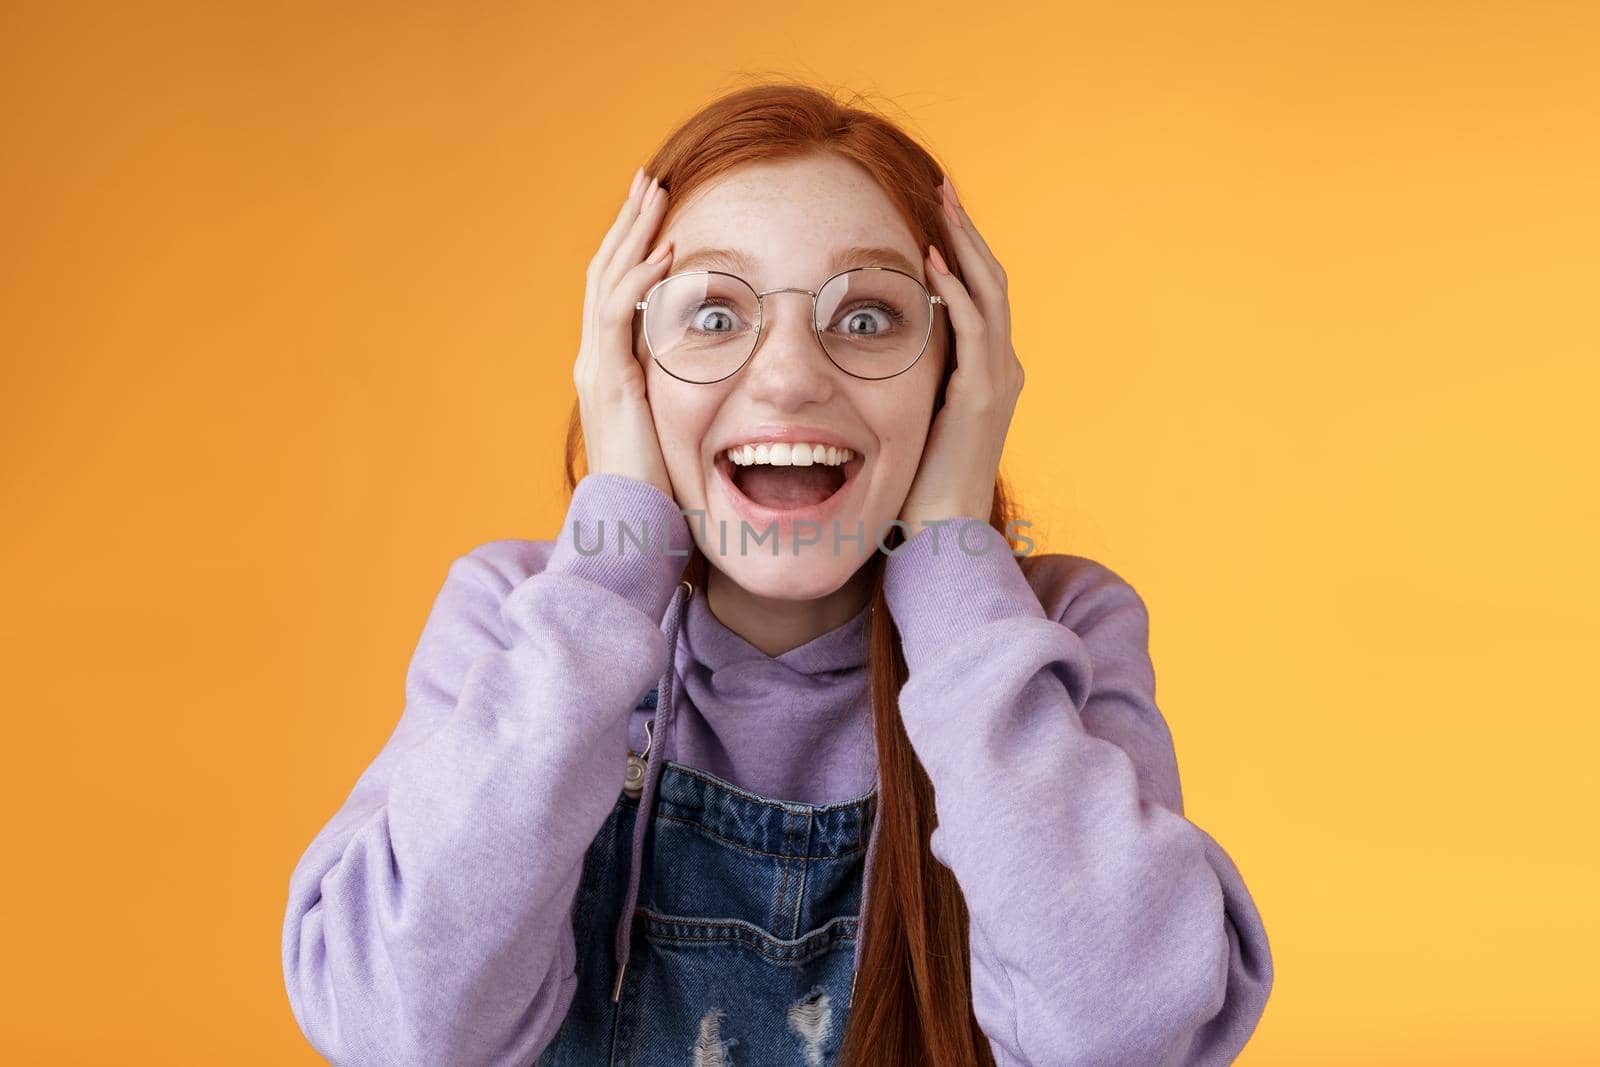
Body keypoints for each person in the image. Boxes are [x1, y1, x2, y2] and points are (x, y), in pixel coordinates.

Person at [281, 82, 1274, 1067]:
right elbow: (398, 1025)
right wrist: (613, 555)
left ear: (957, 374)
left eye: (869, 317)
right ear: (625, 369)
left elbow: (1130, 1035)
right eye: (713, 314)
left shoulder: (1054, 625)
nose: (791, 374)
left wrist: (951, 554)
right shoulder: (520, 617)